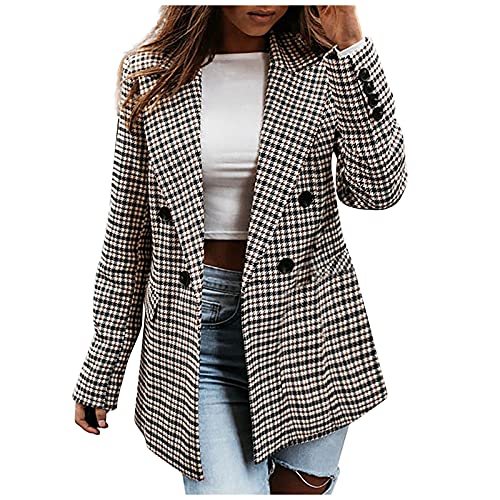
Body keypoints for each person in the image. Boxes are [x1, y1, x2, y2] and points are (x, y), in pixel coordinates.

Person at [73, 5, 407, 495]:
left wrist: (354, 46)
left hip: (307, 331)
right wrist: (103, 366)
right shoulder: (150, 72)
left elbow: (378, 190)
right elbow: (128, 229)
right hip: (196, 334)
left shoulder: (324, 64)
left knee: (301, 487)